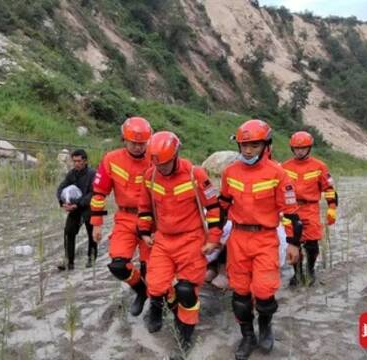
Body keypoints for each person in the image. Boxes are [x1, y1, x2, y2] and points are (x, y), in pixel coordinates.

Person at [219, 119, 302, 360]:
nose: (248, 150)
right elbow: (222, 206)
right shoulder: (230, 172)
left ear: (266, 145)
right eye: (244, 145)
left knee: (264, 293)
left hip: (265, 238)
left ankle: (265, 325)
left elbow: (291, 213)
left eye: (254, 145)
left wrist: (294, 243)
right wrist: (215, 235)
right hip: (238, 238)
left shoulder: (278, 174)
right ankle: (247, 336)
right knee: (241, 295)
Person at [137, 131, 221, 358]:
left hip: (191, 240)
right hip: (163, 239)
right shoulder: (150, 176)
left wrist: (213, 239)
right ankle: (156, 309)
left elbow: (213, 208)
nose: (161, 168)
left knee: (186, 290)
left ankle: (185, 334)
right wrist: (145, 232)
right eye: (157, 164)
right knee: (155, 285)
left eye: (165, 164)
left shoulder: (196, 174)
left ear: (176, 154)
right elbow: (144, 208)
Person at [89, 117, 153, 317]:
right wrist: (96, 224)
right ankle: (140, 291)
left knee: (150, 268)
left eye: (141, 143)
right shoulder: (111, 159)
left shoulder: (156, 158)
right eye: (133, 142)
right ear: (124, 139)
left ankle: (155, 306)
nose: (137, 147)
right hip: (125, 218)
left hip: (151, 220)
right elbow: (99, 193)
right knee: (118, 265)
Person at [282, 131, 338, 286]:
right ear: (292, 148)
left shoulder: (319, 166)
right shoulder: (284, 167)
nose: (300, 151)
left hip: (310, 208)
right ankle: (297, 273)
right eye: (297, 148)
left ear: (309, 148)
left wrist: (332, 208)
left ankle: (310, 270)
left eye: (303, 148)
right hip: (291, 210)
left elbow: (329, 188)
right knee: (294, 243)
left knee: (312, 243)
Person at [56, 149, 96, 270]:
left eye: (79, 161)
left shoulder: (92, 174)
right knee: (69, 232)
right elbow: (61, 188)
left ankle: (91, 257)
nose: (76, 164)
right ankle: (69, 261)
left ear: (85, 161)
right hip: (75, 209)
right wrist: (63, 203)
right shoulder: (71, 174)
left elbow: (93, 193)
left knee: (92, 234)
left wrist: (78, 204)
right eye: (74, 161)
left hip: (90, 208)